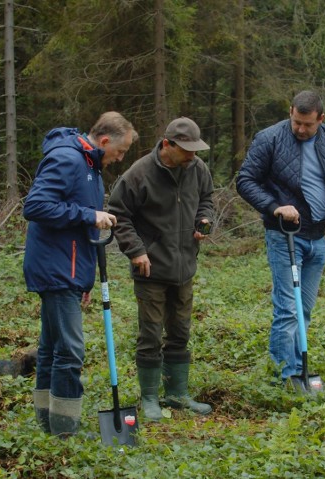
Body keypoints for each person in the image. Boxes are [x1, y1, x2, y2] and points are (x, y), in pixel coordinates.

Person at [23, 112, 137, 438]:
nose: (121, 157)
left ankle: (49, 423)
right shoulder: (68, 160)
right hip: (55, 269)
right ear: (104, 141)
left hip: (67, 270)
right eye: (121, 150)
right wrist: (90, 214)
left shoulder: (90, 166)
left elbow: (80, 232)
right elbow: (36, 206)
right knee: (70, 351)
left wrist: (84, 279)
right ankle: (65, 431)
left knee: (51, 348)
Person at [236, 90, 325, 383]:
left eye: (307, 124)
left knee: (305, 309)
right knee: (288, 308)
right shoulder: (269, 138)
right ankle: (282, 376)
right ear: (290, 112)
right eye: (296, 122)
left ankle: (299, 369)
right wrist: (275, 207)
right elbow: (245, 180)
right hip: (283, 235)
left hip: (317, 237)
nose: (300, 129)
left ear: (321, 119)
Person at [108, 117, 214, 422]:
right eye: (186, 150)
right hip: (150, 269)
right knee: (151, 334)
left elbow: (206, 199)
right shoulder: (139, 173)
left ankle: (177, 394)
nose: (193, 156)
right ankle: (151, 398)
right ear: (168, 144)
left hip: (184, 266)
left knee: (180, 332)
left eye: (196, 150)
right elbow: (118, 215)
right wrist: (136, 251)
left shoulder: (197, 168)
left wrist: (204, 220)